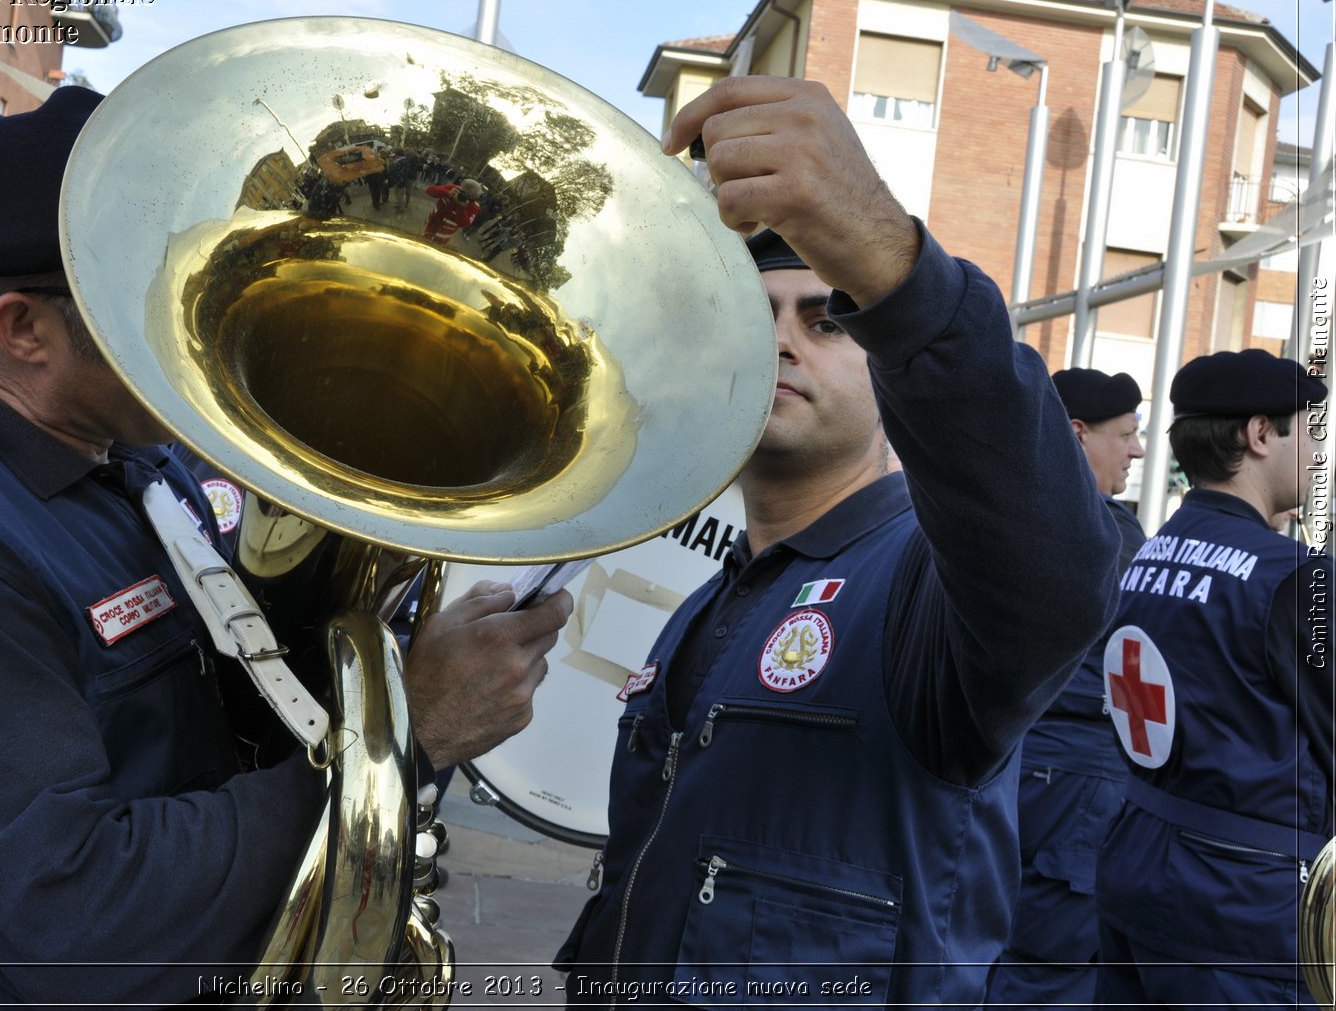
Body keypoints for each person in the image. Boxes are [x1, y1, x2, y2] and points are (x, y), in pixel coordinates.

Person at [0, 86, 574, 1007]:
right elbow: (75, 914)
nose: (198, 325)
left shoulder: (137, 460)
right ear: (22, 329)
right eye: (148, 297)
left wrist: (389, 671)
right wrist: (406, 740)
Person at [553, 75, 1120, 1005]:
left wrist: (898, 273)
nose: (782, 342)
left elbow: (1054, 567)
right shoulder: (713, 598)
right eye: (758, 318)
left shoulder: (928, 588)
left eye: (825, 320)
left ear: (889, 364)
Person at [1095, 349, 1334, 1006]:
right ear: (1260, 434)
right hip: (1248, 909)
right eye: (1310, 430)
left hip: (1137, 867)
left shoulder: (1146, 554)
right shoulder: (1293, 577)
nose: (1319, 452)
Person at [986, 368, 1147, 1004]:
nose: (1137, 449)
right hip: (1076, 776)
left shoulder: (991, 507)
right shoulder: (1103, 530)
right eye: (1127, 434)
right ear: (1078, 435)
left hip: (1007, 763)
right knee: (1049, 973)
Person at [422, 178, 482, 243]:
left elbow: (464, 224)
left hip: (443, 236)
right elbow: (429, 190)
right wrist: (448, 193)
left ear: (474, 197)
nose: (464, 196)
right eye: (463, 192)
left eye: (469, 196)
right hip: (430, 224)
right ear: (460, 187)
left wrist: (462, 208)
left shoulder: (474, 206)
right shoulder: (453, 189)